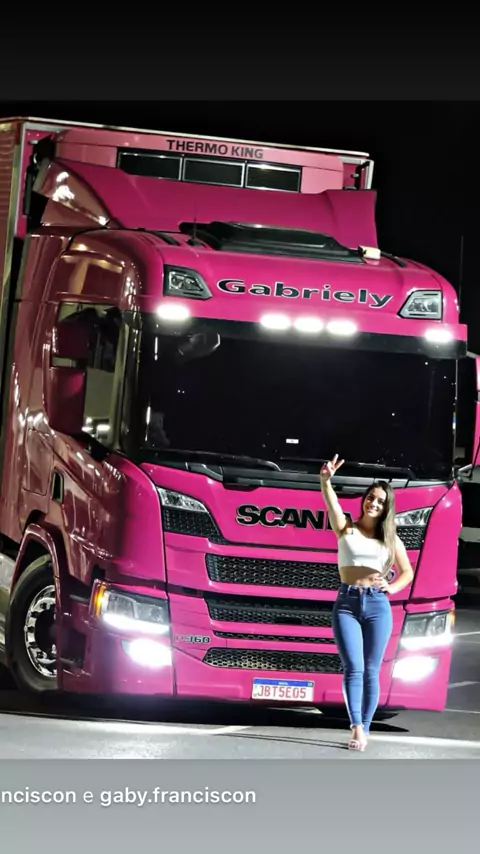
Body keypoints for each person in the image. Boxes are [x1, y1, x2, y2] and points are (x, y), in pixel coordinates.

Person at [320, 454, 414, 751]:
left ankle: (367, 726)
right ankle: (356, 727)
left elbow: (408, 572)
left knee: (372, 670)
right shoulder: (346, 528)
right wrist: (325, 480)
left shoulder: (391, 539)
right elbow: (332, 504)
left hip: (377, 606)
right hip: (347, 603)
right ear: (364, 500)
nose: (373, 503)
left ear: (387, 507)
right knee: (353, 667)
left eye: (380, 501)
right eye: (370, 498)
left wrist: (392, 587)